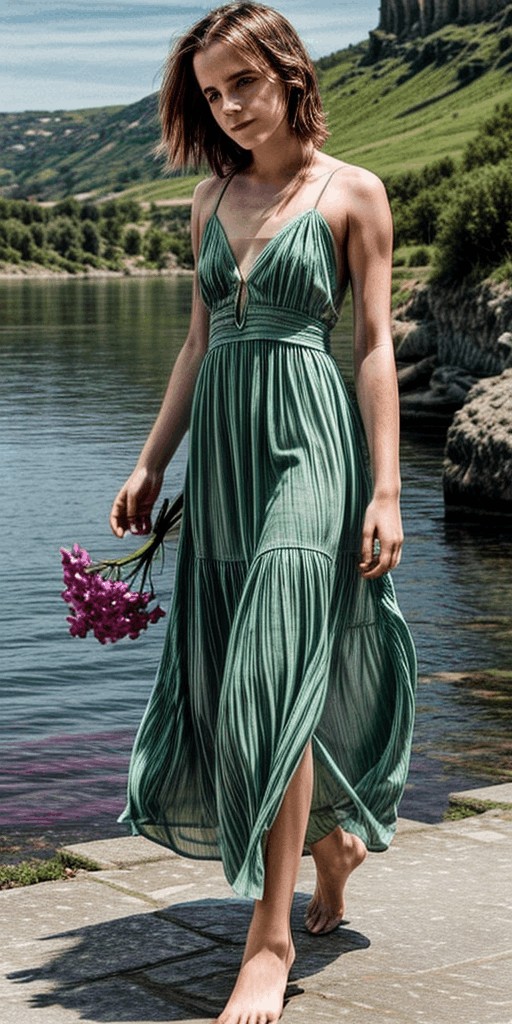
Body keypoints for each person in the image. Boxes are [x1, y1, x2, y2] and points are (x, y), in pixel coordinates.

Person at [110, 4, 417, 1023]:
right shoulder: (206, 200)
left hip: (309, 456)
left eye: (243, 81)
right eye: (211, 92)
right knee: (242, 682)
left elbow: (372, 347)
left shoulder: (352, 192)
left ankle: (269, 936)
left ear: (287, 73)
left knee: (265, 675)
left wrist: (384, 487)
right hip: (227, 464)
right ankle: (332, 850)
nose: (229, 105)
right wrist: (153, 462)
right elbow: (198, 345)